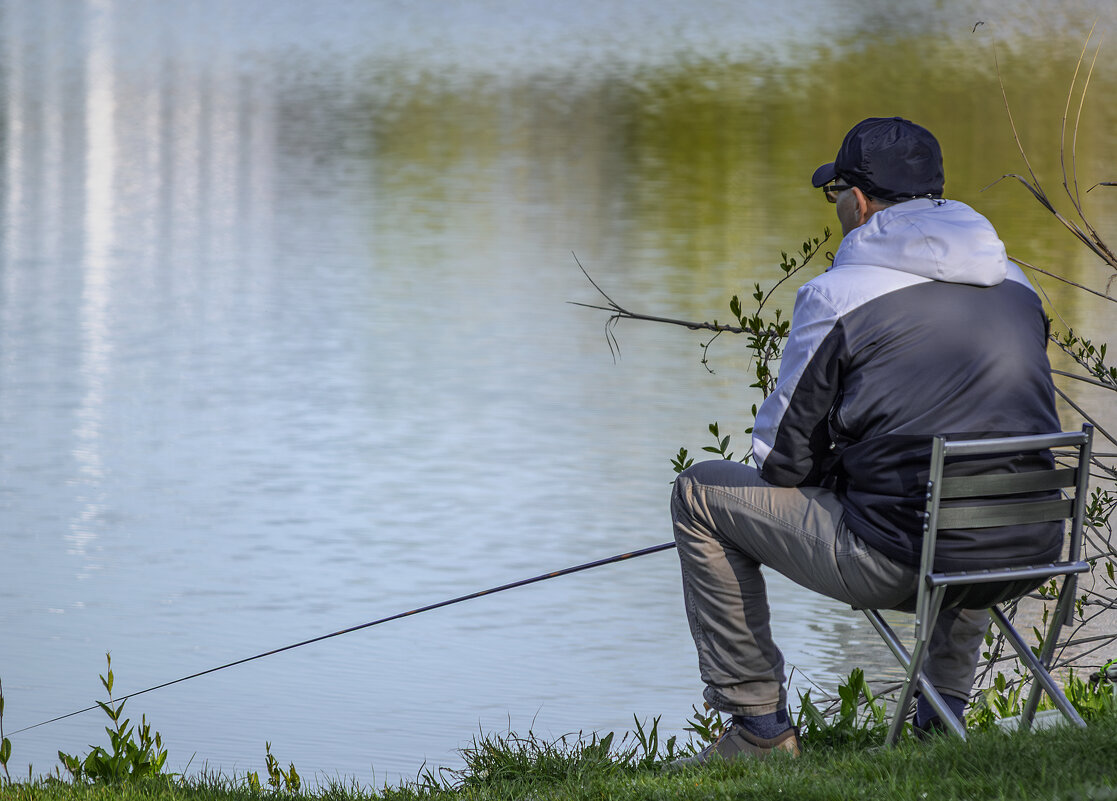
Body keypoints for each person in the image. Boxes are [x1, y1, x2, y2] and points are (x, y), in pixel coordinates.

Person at [669, 117, 1061, 764]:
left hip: (899, 560)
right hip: (1028, 547)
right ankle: (940, 720)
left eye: (835, 196)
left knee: (697, 494)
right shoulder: (1017, 287)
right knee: (966, 494)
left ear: (856, 200)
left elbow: (780, 463)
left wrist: (838, 465)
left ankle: (758, 729)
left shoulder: (837, 295)